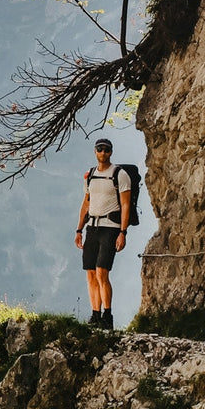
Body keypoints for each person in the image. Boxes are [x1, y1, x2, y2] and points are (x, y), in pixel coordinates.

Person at [75, 137, 132, 330]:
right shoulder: (90, 175)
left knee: (102, 271)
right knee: (90, 273)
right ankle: (95, 314)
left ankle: (107, 316)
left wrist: (123, 232)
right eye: (100, 149)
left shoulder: (120, 174)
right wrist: (78, 229)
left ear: (111, 152)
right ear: (95, 151)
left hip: (111, 227)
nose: (103, 153)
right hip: (92, 227)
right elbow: (86, 203)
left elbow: (125, 205)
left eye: (106, 150)